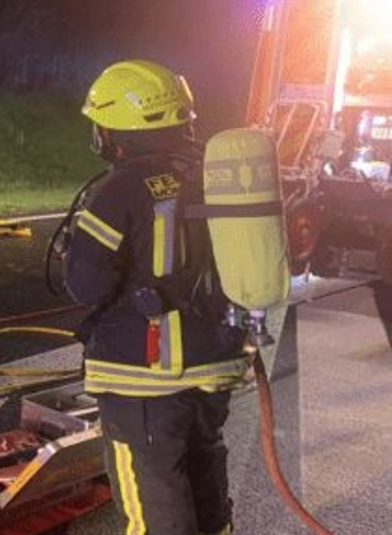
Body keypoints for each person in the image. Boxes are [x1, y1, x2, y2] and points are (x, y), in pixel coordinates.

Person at [62, 60, 249, 535]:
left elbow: (86, 284)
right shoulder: (216, 172)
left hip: (143, 378)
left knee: (155, 503)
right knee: (205, 471)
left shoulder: (120, 187)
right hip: (215, 365)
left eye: (99, 122)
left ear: (118, 127)